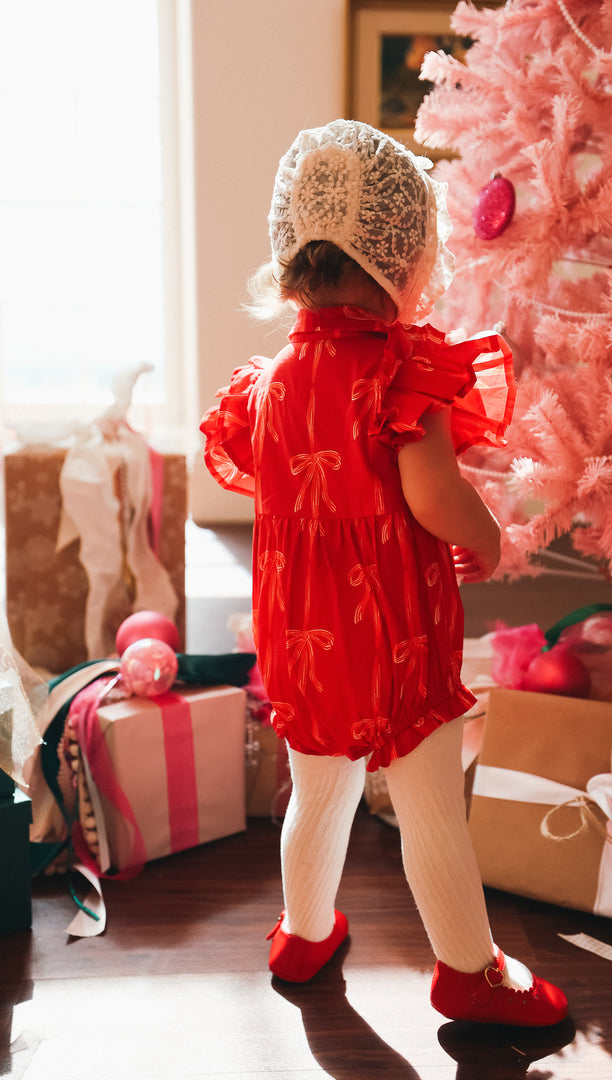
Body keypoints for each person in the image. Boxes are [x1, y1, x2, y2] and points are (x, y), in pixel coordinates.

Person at [201, 119, 568, 1027]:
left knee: (318, 786)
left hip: (300, 632)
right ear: (405, 263)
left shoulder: (269, 381)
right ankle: (466, 970)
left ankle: (304, 930)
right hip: (392, 632)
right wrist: (484, 537)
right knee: (429, 794)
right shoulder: (402, 368)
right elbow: (434, 496)